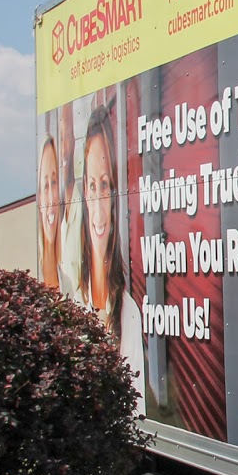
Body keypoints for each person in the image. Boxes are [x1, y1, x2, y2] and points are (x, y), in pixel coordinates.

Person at [78, 103, 144, 389]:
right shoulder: (73, 298)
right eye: (92, 185)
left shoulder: (127, 314)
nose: (98, 210)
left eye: (105, 186)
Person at [36, 134, 60, 289]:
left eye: (54, 183)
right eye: (45, 186)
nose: (51, 199)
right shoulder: (34, 275)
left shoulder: (70, 282)